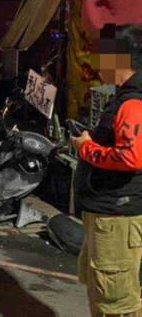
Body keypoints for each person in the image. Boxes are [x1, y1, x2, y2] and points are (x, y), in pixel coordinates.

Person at [71, 25, 142, 317]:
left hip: (116, 217)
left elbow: (131, 157)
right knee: (104, 295)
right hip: (109, 214)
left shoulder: (133, 102)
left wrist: (86, 147)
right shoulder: (124, 96)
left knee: (117, 303)